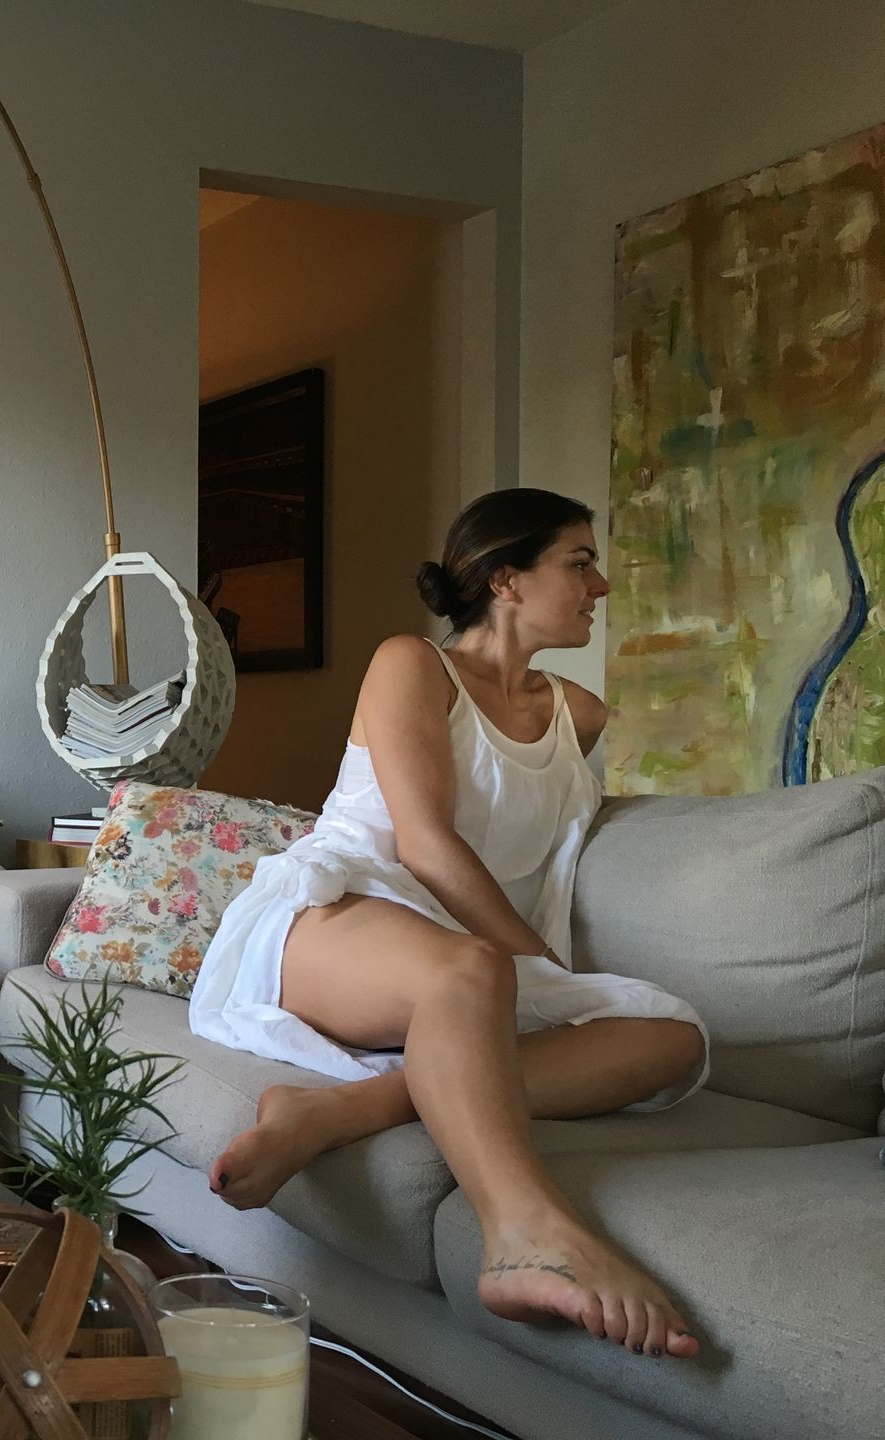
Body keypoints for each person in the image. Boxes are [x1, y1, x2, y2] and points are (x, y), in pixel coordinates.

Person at [188, 487, 710, 1361]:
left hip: (464, 955)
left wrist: (533, 976)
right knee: (471, 970)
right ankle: (523, 1235)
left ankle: (343, 1110)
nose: (601, 585)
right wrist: (537, 969)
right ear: (506, 578)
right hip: (335, 916)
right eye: (580, 563)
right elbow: (424, 845)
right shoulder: (412, 664)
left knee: (674, 1039)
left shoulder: (579, 717)